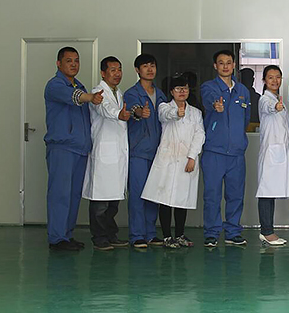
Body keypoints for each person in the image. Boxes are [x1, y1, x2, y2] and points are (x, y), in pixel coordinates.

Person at [44, 47, 103, 251]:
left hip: (80, 149)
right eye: (68, 60)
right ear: (58, 63)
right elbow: (74, 96)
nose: (73, 64)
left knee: (73, 195)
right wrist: (90, 97)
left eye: (76, 60)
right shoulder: (55, 85)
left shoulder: (79, 85)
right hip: (62, 147)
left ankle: (67, 235)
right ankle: (57, 238)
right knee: (60, 194)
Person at [142, 75, 205, 248]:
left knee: (181, 200)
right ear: (171, 92)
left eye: (185, 88)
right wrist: (177, 113)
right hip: (168, 160)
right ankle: (167, 236)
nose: (182, 92)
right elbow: (165, 116)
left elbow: (200, 135)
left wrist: (192, 157)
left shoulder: (196, 113)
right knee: (165, 199)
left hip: (186, 160)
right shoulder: (164, 107)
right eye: (178, 89)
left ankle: (180, 235)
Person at [200, 49, 251, 246]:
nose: (225, 66)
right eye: (221, 63)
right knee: (212, 196)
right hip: (215, 151)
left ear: (234, 65)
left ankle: (233, 231)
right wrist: (216, 105)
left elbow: (246, 119)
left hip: (236, 153)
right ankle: (212, 233)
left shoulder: (243, 91)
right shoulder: (209, 87)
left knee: (235, 195)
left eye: (229, 62)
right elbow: (209, 100)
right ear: (215, 66)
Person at [82, 56, 130, 251]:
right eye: (112, 70)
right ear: (103, 73)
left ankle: (111, 235)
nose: (117, 73)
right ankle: (99, 237)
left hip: (117, 153)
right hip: (104, 152)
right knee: (100, 201)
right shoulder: (97, 92)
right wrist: (119, 114)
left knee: (113, 202)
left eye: (119, 69)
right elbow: (105, 109)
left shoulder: (119, 92)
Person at [124, 54, 167, 248]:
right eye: (145, 66)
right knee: (137, 194)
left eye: (152, 66)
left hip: (157, 152)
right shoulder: (132, 93)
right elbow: (133, 110)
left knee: (153, 194)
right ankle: (136, 235)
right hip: (139, 151)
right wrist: (140, 112)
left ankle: (150, 233)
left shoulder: (161, 94)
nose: (150, 70)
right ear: (137, 70)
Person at [256, 65, 289, 246]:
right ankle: (266, 231)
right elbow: (268, 108)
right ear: (264, 80)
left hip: (280, 151)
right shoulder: (265, 99)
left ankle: (268, 230)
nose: (274, 80)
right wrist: (275, 106)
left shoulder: (280, 100)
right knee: (266, 192)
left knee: (270, 192)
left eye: (278, 77)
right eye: (270, 77)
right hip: (271, 153)